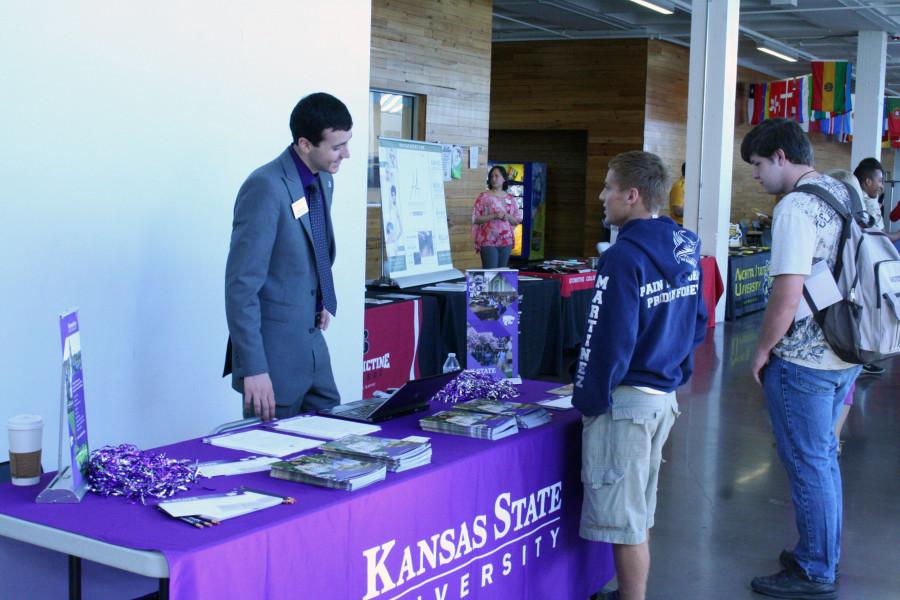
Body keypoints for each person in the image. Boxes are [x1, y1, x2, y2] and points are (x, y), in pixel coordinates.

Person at [573, 151, 707, 600]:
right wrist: (674, 368)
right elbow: (699, 323)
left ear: (631, 195)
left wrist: (589, 400)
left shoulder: (622, 257)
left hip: (626, 404)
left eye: (609, 187)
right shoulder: (687, 245)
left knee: (625, 520)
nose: (602, 196)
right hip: (662, 397)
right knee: (639, 510)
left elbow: (607, 340)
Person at [741, 118, 861, 600]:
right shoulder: (842, 192)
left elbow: (788, 291)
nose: (755, 177)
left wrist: (763, 347)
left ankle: (815, 568)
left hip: (804, 359)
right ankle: (820, 551)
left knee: (808, 463)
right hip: (845, 348)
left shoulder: (795, 207)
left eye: (757, 165)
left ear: (781, 158)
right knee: (823, 461)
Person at [224, 92, 352, 421]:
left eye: (347, 143)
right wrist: (253, 368)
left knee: (333, 438)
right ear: (305, 144)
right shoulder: (265, 187)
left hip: (313, 347)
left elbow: (310, 247)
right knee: (269, 463)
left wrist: (322, 298)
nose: (346, 154)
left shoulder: (324, 180)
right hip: (273, 360)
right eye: (337, 146)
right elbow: (241, 285)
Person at [852, 158, 896, 375]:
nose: (881, 185)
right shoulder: (862, 204)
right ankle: (858, 358)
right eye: (879, 181)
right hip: (864, 270)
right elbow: (877, 235)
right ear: (867, 181)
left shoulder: (865, 200)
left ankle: (861, 357)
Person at [471, 165, 522, 268]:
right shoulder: (483, 197)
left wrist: (507, 216)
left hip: (506, 240)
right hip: (488, 240)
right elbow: (475, 218)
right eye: (491, 176)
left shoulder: (511, 198)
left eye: (496, 176)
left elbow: (516, 220)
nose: (493, 179)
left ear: (504, 179)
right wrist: (494, 216)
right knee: (491, 272)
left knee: (502, 273)